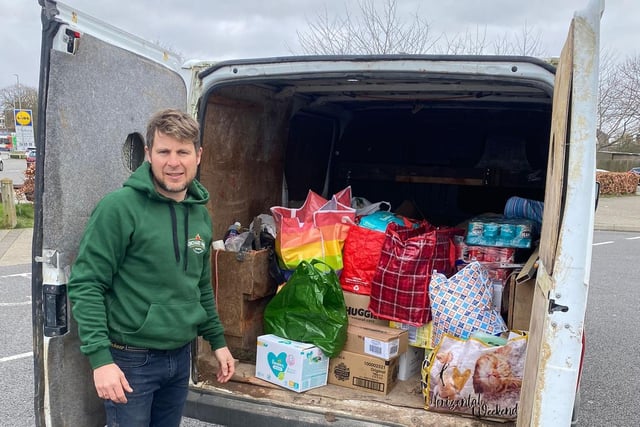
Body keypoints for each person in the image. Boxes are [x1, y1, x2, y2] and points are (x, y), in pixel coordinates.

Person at [67, 108, 235, 426]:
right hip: (131, 361)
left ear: (198, 155)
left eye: (183, 152)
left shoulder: (199, 214)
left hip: (179, 356)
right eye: (164, 151)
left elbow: (199, 286)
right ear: (148, 154)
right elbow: (86, 283)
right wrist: (100, 360)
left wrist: (218, 341)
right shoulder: (119, 208)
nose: (174, 162)